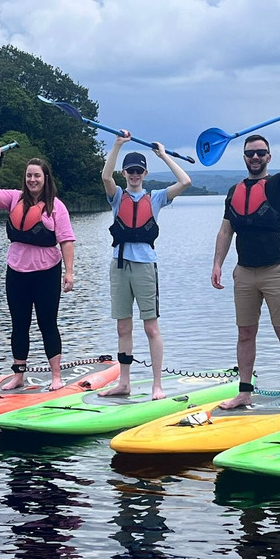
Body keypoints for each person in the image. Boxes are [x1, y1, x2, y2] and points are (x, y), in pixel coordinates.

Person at [211, 110, 280, 410]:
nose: (255, 157)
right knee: (245, 334)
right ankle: (244, 391)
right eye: (250, 153)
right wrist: (217, 264)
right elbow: (226, 230)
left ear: (268, 157)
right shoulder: (233, 191)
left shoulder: (278, 186)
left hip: (275, 270)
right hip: (244, 272)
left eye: (260, 153)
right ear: (244, 157)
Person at [98, 133, 192, 399]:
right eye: (130, 171)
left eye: (139, 171)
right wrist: (117, 145)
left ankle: (157, 385)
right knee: (123, 327)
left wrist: (164, 155)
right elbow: (106, 177)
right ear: (125, 173)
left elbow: (186, 181)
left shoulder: (157, 197)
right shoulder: (117, 196)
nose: (135, 175)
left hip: (145, 266)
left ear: (145, 172)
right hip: (119, 265)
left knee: (151, 327)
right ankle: (124, 383)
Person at [0, 148, 75, 390]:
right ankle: (18, 375)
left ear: (45, 179)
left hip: (47, 273)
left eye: (37, 176)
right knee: (19, 324)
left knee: (47, 323)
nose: (32, 180)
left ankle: (56, 376)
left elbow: (66, 240)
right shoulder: (13, 198)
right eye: (29, 176)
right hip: (17, 272)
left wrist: (69, 272)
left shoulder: (57, 207)